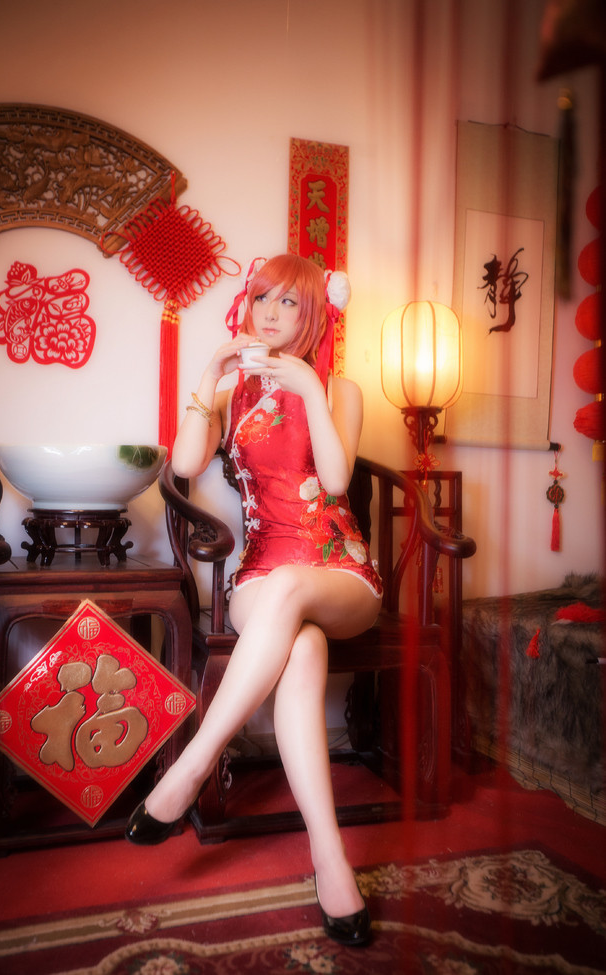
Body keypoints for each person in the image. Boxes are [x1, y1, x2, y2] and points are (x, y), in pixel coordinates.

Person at [126, 254, 383, 947]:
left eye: (288, 303)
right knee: (301, 644)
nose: (269, 313)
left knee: (298, 591)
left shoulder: (342, 388)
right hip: (261, 574)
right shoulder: (229, 394)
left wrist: (311, 389)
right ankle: (331, 861)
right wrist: (209, 377)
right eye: (261, 298)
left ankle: (192, 763)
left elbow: (336, 481)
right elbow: (184, 464)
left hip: (337, 571)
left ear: (314, 315)